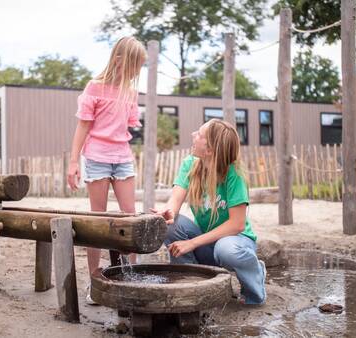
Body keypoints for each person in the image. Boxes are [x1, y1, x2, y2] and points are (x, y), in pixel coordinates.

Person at [67, 36, 147, 305]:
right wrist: (73, 162)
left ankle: (129, 277)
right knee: (97, 222)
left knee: (131, 218)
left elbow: (131, 125)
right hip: (97, 157)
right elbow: (83, 127)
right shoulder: (94, 87)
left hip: (122, 157)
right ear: (119, 60)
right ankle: (95, 281)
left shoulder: (131, 92)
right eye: (135, 65)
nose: (137, 71)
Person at [152, 119, 266, 305]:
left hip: (235, 243)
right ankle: (194, 285)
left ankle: (255, 278)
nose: (193, 135)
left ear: (210, 150)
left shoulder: (234, 174)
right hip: (209, 242)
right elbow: (176, 198)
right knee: (171, 224)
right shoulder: (191, 164)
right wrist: (169, 211)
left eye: (199, 134)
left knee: (226, 248)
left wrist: (192, 243)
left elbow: (236, 224)